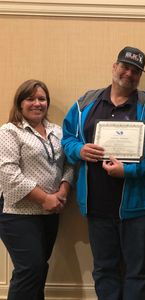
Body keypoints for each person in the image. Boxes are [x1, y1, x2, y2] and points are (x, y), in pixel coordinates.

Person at [61, 46, 145, 300]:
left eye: (135, 71)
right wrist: (79, 150)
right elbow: (67, 138)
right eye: (125, 67)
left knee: (137, 271)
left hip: (138, 206)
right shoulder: (86, 101)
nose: (129, 74)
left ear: (140, 76)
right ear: (114, 67)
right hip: (96, 204)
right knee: (104, 268)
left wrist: (128, 171)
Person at [0, 79, 73, 300]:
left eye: (42, 99)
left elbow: (69, 164)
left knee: (39, 269)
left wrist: (63, 191)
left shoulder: (57, 131)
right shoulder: (9, 131)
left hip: (50, 212)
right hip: (17, 213)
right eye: (30, 99)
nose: (37, 103)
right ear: (20, 103)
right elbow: (8, 174)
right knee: (29, 269)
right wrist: (44, 198)